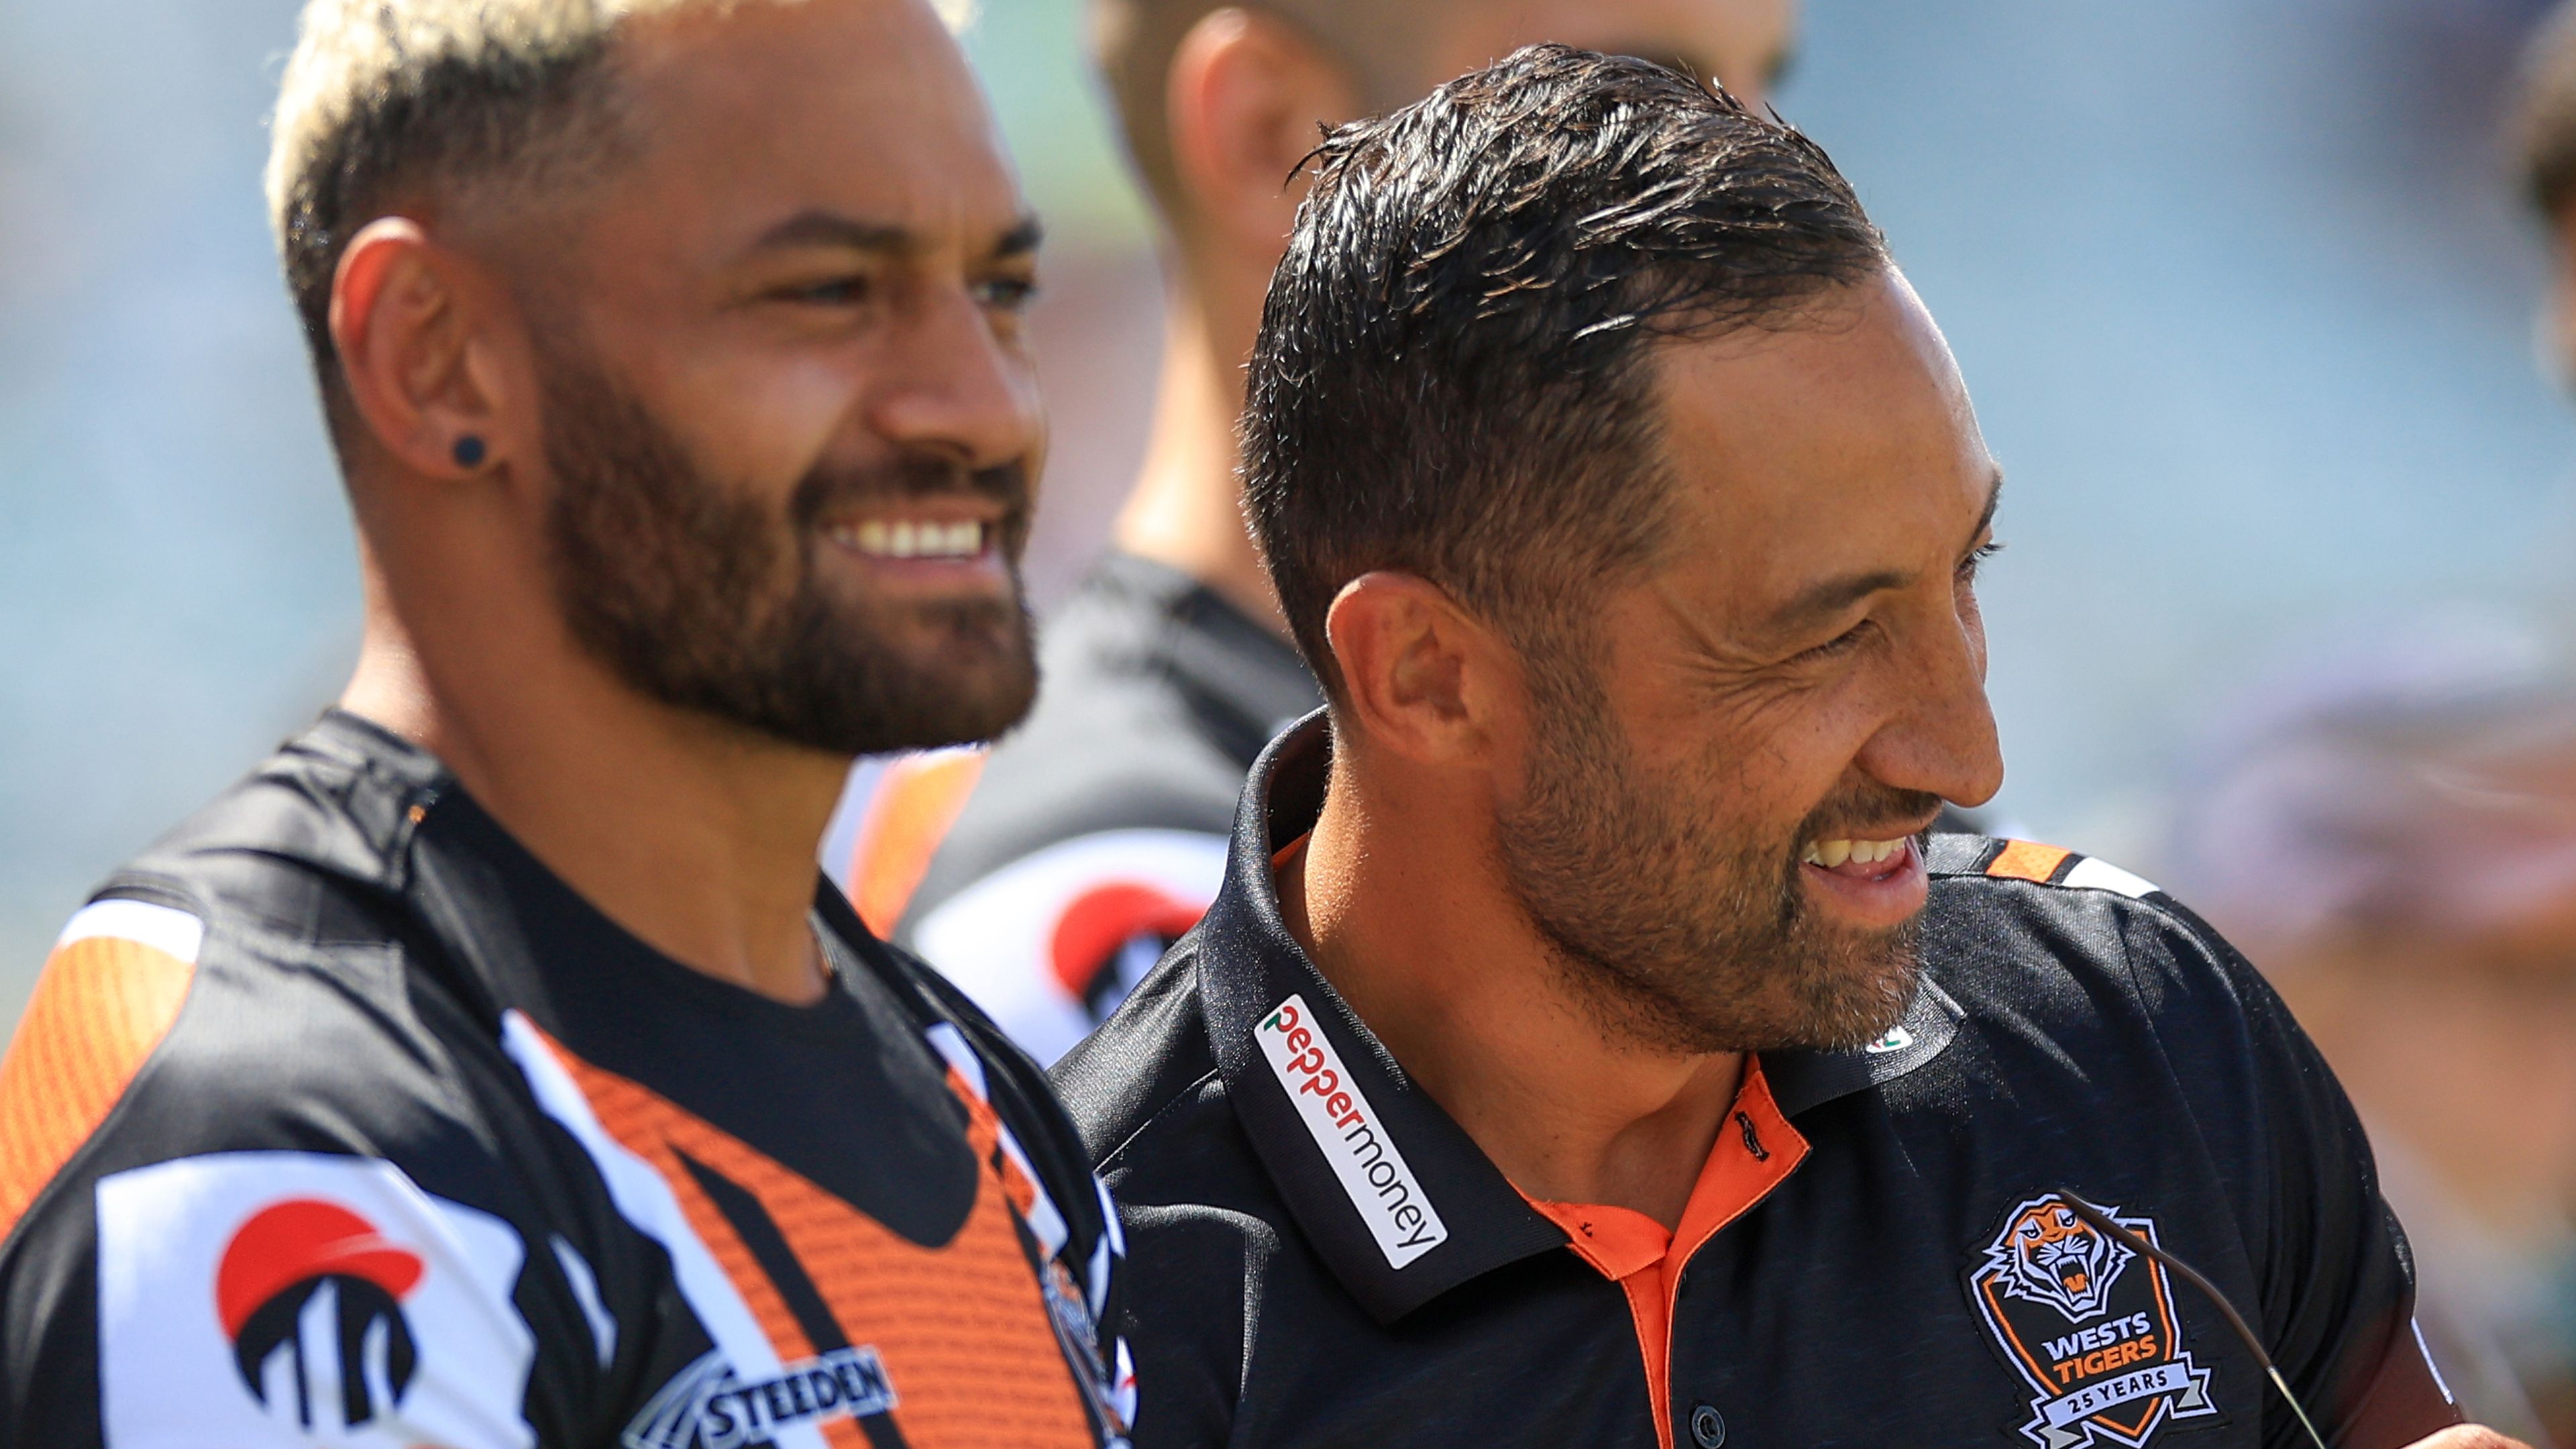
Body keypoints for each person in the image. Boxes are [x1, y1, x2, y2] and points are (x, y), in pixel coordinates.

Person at [1052, 45, 2520, 1449]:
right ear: (1428, 675)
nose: (1966, 752)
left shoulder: (2143, 1037)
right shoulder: (1082, 1310)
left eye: (1965, 574)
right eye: (1825, 633)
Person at [0, 1, 1136, 1444]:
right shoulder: (286, 1138)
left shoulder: (982, 1099)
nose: (983, 407)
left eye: (1000, 292)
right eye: (832, 292)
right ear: (436, 356)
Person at [849, 0, 1799, 1064]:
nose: (1775, 202)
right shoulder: (1115, 888)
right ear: (1276, 134)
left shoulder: (1814, 751)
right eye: (1634, 103)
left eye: (1769, 92)